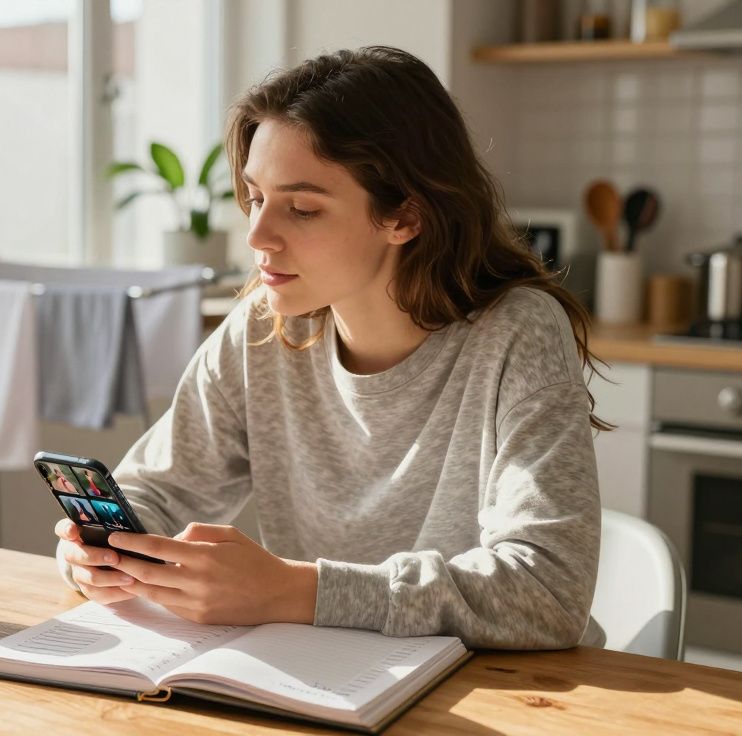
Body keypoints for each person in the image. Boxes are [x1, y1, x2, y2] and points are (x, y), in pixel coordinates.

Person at [55, 46, 605, 650]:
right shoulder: (262, 331)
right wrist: (101, 556)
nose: (258, 236)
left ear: (405, 217)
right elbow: (155, 492)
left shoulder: (518, 334)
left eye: (303, 209)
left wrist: (295, 591)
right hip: (316, 680)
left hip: (482, 690)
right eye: (256, 197)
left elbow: (548, 592)